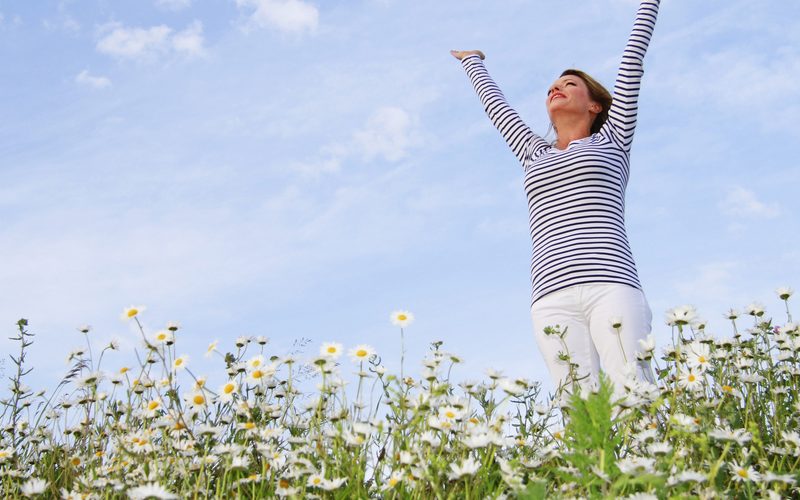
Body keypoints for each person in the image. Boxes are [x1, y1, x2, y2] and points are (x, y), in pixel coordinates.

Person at [451, 0, 660, 394]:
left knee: (634, 393)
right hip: (551, 295)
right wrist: (472, 61)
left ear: (594, 105)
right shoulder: (534, 152)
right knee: (577, 406)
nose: (555, 89)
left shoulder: (613, 139)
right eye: (551, 88)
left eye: (568, 84)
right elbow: (498, 109)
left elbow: (632, 59)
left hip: (611, 283)